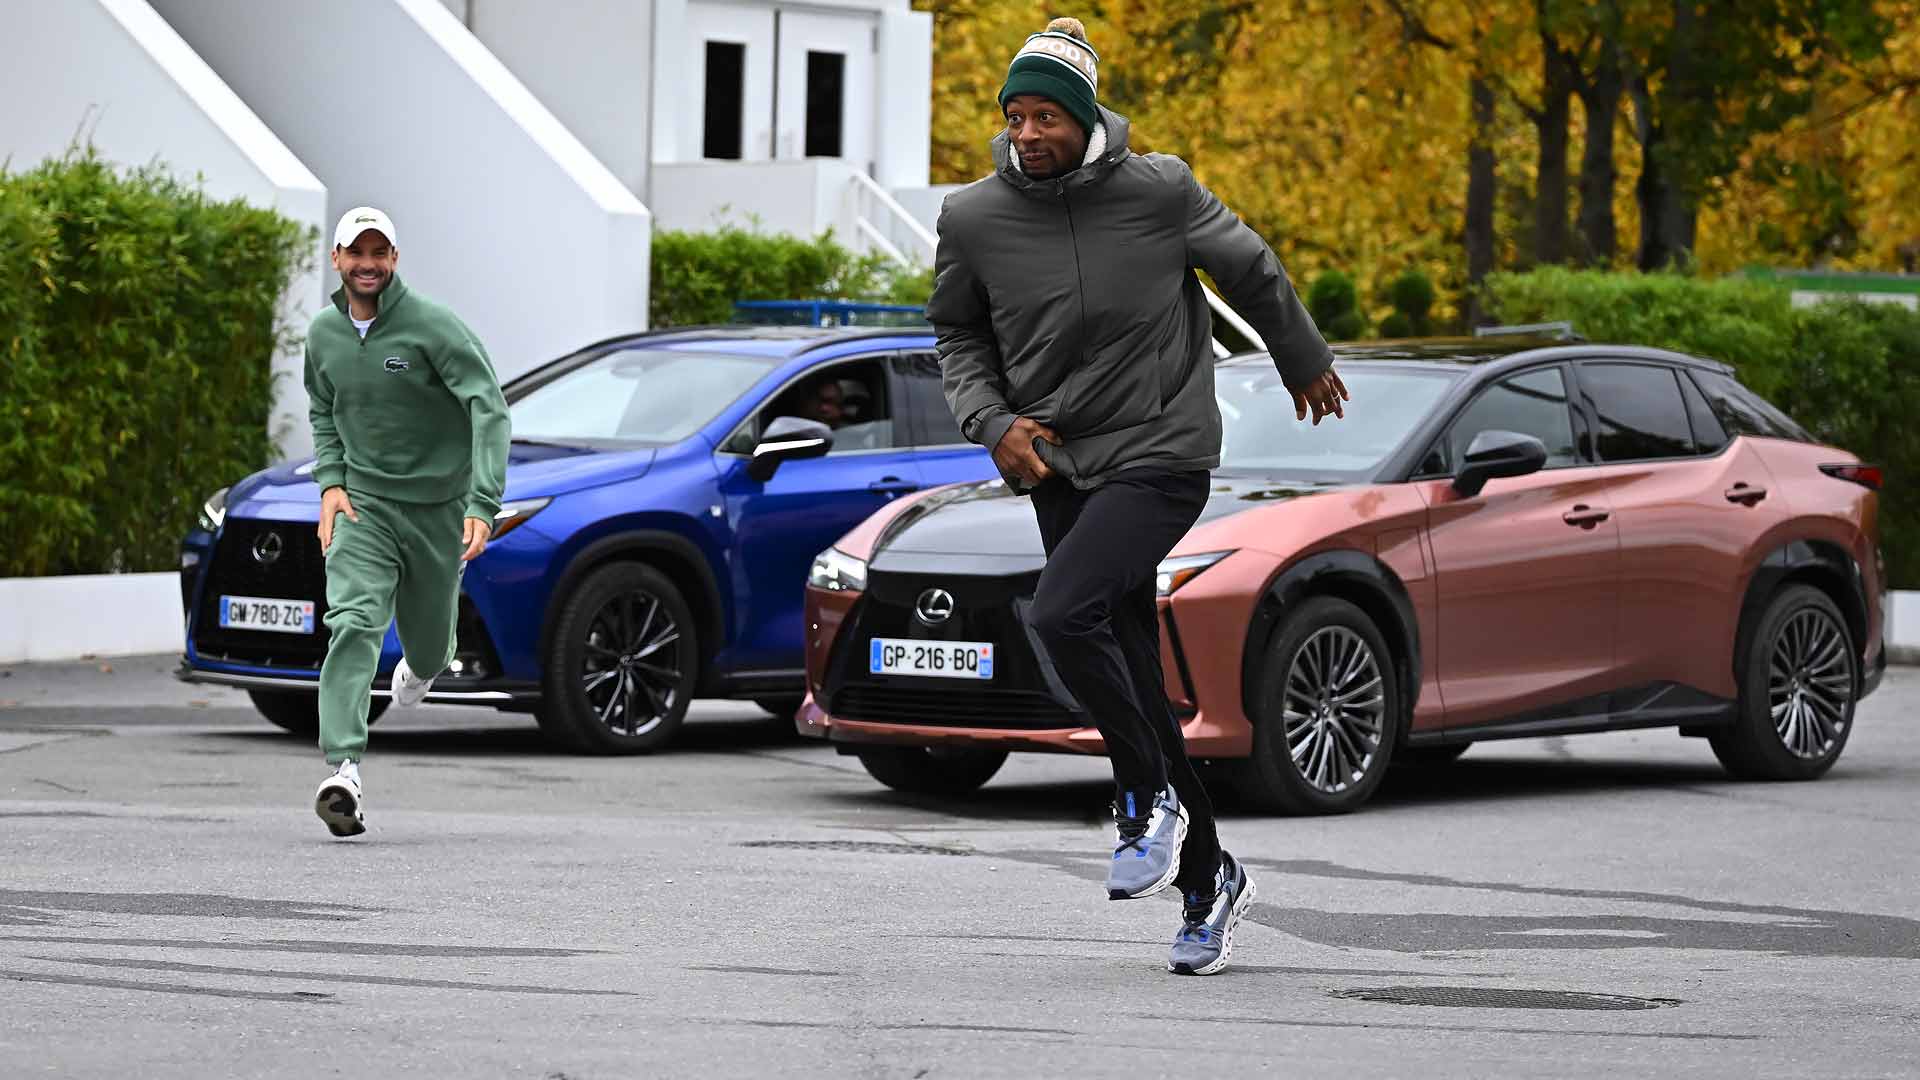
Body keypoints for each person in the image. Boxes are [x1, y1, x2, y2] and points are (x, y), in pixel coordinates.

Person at [928, 18, 1348, 975]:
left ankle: (1146, 797)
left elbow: (1252, 265)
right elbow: (958, 337)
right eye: (1015, 115)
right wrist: (992, 423)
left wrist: (1303, 358)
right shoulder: (975, 217)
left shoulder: (1159, 189)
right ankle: (1209, 879)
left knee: (1066, 610)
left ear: (1085, 121)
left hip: (1159, 452)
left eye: (1047, 116)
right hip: (1056, 460)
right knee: (1133, 670)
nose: (1028, 133)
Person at [305, 207, 510, 837]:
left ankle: (425, 664)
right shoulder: (322, 334)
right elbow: (321, 410)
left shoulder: (432, 327)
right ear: (336, 260)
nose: (368, 264)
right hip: (363, 505)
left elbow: (490, 410)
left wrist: (482, 502)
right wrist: (332, 483)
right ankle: (343, 769)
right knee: (353, 623)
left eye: (380, 253)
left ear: (394, 260)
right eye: (355, 253)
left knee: (428, 645)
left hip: (437, 509)